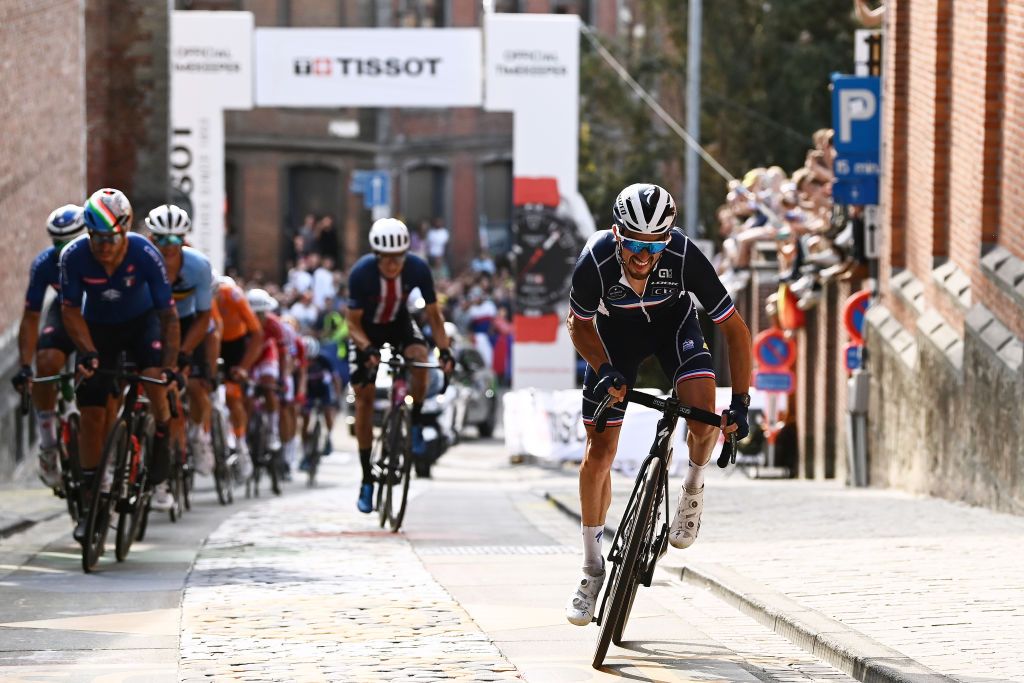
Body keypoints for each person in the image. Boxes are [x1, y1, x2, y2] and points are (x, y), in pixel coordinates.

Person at [562, 183, 752, 626]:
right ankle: (591, 568)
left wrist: (740, 403)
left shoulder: (684, 255)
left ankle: (692, 487)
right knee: (599, 454)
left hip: (673, 330)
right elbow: (578, 326)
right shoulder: (595, 259)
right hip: (613, 342)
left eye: (654, 246)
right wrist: (604, 368)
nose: (644, 257)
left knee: (704, 415)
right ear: (616, 234)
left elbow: (736, 331)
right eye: (633, 245)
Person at [60, 188, 181, 529]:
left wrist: (170, 367)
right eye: (95, 237)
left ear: (125, 229)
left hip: (142, 325)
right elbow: (69, 312)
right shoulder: (74, 255)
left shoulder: (146, 253)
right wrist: (87, 352)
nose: (103, 247)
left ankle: (160, 444)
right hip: (98, 328)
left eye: (110, 237)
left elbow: (169, 317)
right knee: (92, 414)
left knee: (156, 383)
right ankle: (91, 501)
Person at [346, 218, 455, 513]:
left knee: (421, 359)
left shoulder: (418, 268)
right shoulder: (361, 273)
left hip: (398, 324)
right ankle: (368, 478)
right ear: (377, 255)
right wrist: (367, 348)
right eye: (387, 259)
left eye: (399, 258)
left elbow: (434, 316)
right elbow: (351, 324)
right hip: (366, 330)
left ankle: (416, 423)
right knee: (365, 401)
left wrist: (444, 351)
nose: (394, 265)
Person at [12, 205, 87, 488]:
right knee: (46, 362)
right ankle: (48, 443)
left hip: (98, 312)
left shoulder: (101, 255)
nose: (62, 251)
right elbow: (31, 316)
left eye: (69, 244)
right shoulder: (45, 264)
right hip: (65, 311)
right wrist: (24, 366)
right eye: (57, 244)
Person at [144, 205, 215, 477]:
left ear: (184, 240)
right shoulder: (143, 260)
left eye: (175, 239)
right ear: (151, 239)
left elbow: (204, 316)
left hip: (188, 324)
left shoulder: (198, 267)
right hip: (153, 321)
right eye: (161, 238)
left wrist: (184, 352)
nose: (168, 246)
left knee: (196, 385)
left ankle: (198, 435)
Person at [213, 276, 262, 478]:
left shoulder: (233, 296)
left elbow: (257, 335)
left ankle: (241, 443)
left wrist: (243, 367)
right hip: (212, 340)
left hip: (235, 345)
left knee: (233, 396)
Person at [246, 288, 288, 454]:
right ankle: (245, 430)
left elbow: (283, 354)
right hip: (249, 358)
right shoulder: (243, 321)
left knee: (269, 390)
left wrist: (282, 378)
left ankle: (272, 431)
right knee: (246, 397)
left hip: (266, 356)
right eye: (255, 314)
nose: (259, 317)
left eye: (262, 313)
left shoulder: (274, 324)